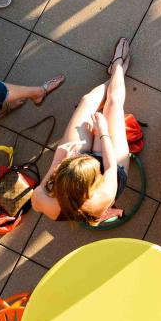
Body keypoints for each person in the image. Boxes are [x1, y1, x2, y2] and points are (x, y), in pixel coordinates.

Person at [29, 38, 133, 225]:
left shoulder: (43, 199)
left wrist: (57, 161)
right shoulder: (102, 195)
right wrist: (103, 133)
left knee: (87, 101)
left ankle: (115, 76)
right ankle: (118, 67)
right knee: (113, 105)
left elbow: (39, 196)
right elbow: (109, 166)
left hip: (76, 172)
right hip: (112, 169)